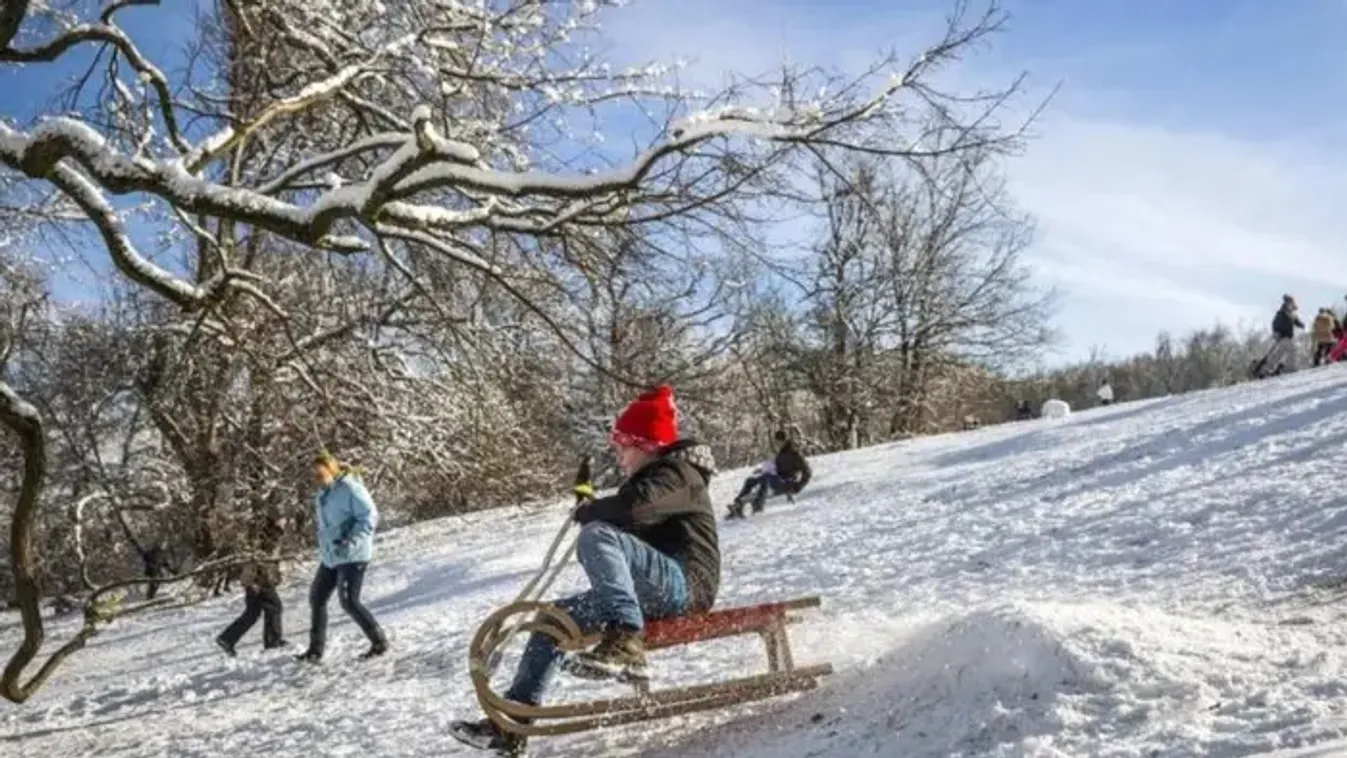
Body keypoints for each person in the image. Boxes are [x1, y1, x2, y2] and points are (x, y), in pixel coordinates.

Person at [450, 385, 720, 757]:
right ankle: (510, 729)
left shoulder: (679, 474)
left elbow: (637, 508)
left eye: (623, 444)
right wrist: (596, 511)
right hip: (651, 591)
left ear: (645, 444)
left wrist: (595, 513)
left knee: (597, 535)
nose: (618, 453)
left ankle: (625, 637)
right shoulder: (654, 478)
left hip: (685, 584)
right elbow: (630, 523)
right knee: (554, 620)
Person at [295, 451, 388, 663]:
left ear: (331, 470)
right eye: (314, 476)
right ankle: (315, 651)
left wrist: (351, 540)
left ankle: (379, 642)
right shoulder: (323, 494)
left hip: (353, 553)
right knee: (317, 598)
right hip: (331, 556)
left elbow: (368, 517)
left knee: (349, 601)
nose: (316, 480)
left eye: (320, 475)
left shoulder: (350, 488)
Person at [216, 514, 288, 656]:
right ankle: (273, 642)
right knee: (275, 608)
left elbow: (270, 563)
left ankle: (227, 639)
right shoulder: (265, 540)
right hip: (259, 581)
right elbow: (257, 562)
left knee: (252, 613)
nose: (281, 530)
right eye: (280, 526)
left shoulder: (269, 539)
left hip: (257, 581)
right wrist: (255, 582)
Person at [726, 429, 812, 519]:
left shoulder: (795, 453)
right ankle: (737, 504)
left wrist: (798, 486)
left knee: (766, 478)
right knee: (750, 480)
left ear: (783, 441)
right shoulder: (782, 452)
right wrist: (764, 470)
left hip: (787, 483)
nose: (776, 444)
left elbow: (808, 472)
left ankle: (758, 507)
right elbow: (779, 467)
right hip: (778, 479)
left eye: (778, 442)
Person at [1254, 294, 1304, 378]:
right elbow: (1275, 323)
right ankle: (1290, 368)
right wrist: (1277, 332)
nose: (1291, 303)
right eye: (1290, 302)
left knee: (1279, 353)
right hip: (1284, 336)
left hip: (1286, 336)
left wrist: (1301, 324)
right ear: (1286, 302)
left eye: (1291, 302)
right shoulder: (1282, 313)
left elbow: (1295, 320)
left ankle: (1266, 370)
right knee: (1293, 349)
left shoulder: (1290, 312)